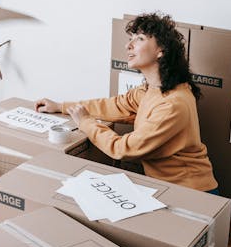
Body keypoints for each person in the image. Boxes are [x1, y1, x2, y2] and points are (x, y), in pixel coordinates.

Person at [36, 12, 218, 193]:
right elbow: (115, 106)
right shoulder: (152, 89)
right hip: (166, 187)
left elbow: (123, 148)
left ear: (161, 50)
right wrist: (61, 106)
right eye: (130, 38)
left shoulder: (173, 105)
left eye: (139, 39)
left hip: (191, 192)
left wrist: (86, 123)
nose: (128, 45)